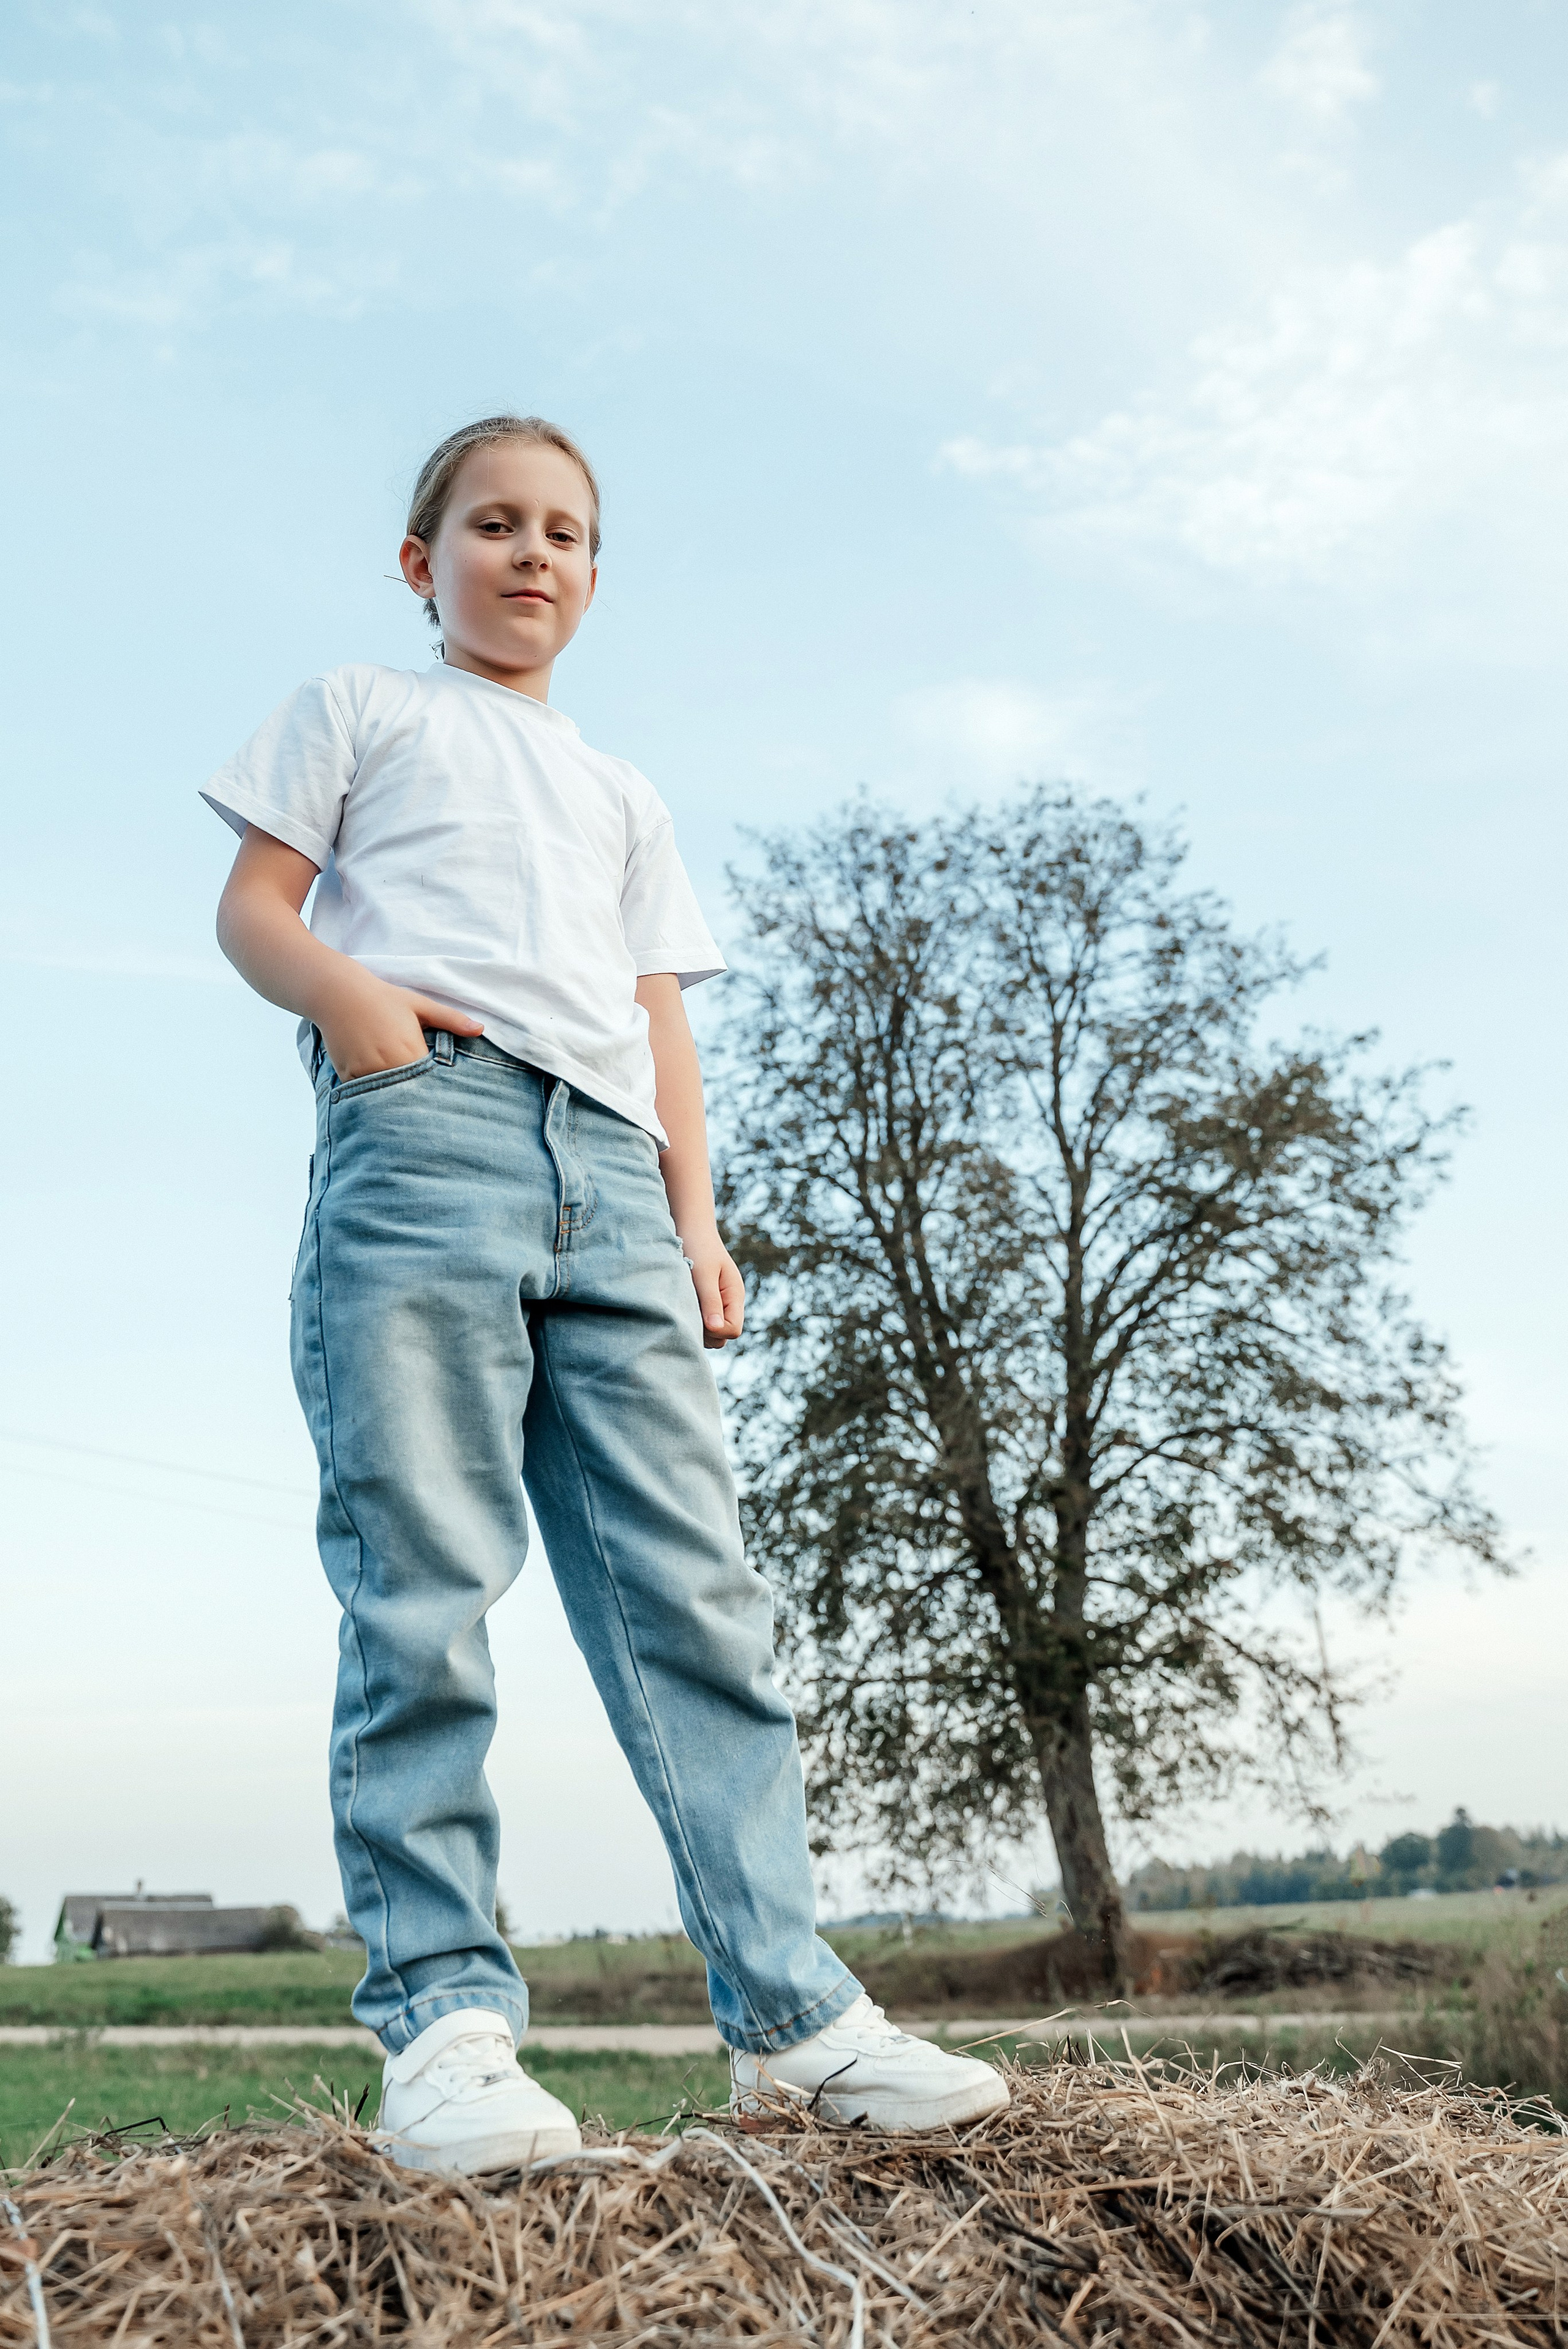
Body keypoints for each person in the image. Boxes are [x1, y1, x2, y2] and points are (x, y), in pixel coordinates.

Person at [205, 413, 1010, 2173]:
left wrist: (697, 1218)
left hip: (620, 1185)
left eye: (566, 532)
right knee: (423, 1577)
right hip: (431, 1135)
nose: (534, 553)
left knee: (696, 1601)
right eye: (494, 524)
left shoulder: (621, 791)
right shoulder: (365, 707)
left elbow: (661, 1021)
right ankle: (445, 2022)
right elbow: (254, 909)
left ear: (593, 576)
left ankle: (792, 2016)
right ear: (424, 563)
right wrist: (364, 1018)